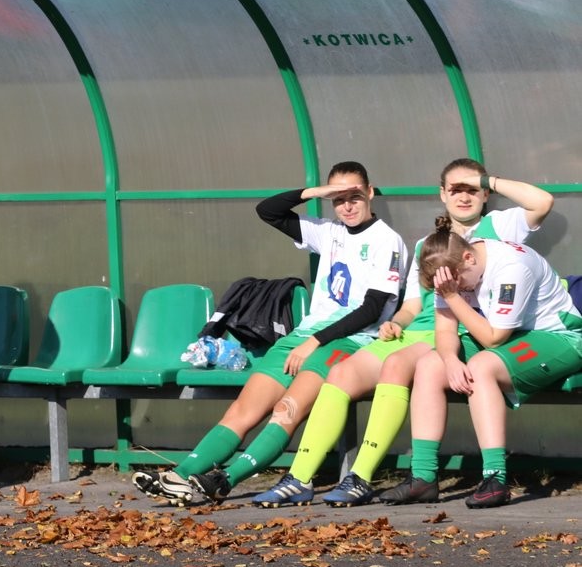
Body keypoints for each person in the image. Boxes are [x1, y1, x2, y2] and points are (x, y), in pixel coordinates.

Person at [253, 160, 553, 507]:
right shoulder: (427, 243)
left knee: (396, 364)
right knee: (341, 373)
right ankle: (299, 478)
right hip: (419, 331)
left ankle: (361, 477)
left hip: (459, 330)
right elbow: (412, 304)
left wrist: (485, 179)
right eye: (455, 189)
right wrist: (397, 322)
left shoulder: (500, 226)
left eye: (472, 189)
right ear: (442, 194)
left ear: (485, 194)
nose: (463, 197)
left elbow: (542, 202)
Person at [132, 162, 407, 505]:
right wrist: (315, 193)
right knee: (243, 410)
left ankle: (224, 480)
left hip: (348, 342)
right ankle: (180, 476)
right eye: (338, 199)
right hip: (304, 337)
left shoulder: (387, 241)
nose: (347, 206)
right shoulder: (329, 231)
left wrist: (315, 342)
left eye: (354, 196)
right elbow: (268, 211)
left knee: (286, 409)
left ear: (370, 192)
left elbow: (372, 309)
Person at [379, 217, 582, 508]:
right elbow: (445, 330)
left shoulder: (511, 267)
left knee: (482, 366)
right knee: (429, 365)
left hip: (560, 336)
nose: (459, 289)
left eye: (459, 283)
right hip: (513, 334)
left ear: (469, 258)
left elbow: (493, 338)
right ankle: (422, 477)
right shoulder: (450, 270)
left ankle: (495, 479)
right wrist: (450, 359)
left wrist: (453, 296)